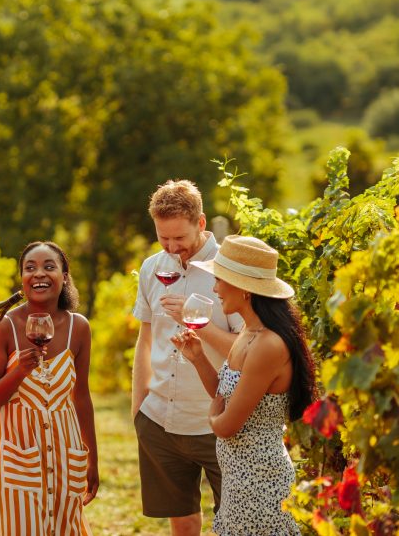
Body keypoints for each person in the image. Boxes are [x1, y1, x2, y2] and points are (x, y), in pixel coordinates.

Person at [176, 234, 317, 536]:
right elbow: (226, 393)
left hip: (260, 483)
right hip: (239, 480)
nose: (214, 289)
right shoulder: (249, 333)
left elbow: (226, 424)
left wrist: (213, 415)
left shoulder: (268, 344)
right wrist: (199, 358)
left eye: (219, 280)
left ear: (244, 288)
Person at [131, 179, 244, 536]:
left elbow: (249, 350)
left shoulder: (231, 270)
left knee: (234, 522)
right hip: (160, 419)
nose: (171, 247)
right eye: (163, 238)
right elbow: (145, 340)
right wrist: (138, 410)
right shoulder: (152, 267)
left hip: (219, 422)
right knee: (181, 521)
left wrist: (199, 323)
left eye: (179, 238)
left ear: (201, 223)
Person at [0, 241, 99, 535]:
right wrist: (19, 371)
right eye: (30, 268)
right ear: (21, 279)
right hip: (17, 452)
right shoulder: (4, 327)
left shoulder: (78, 328)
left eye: (49, 266)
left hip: (66, 450)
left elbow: (81, 396)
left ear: (64, 275)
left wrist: (92, 457)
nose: (38, 274)